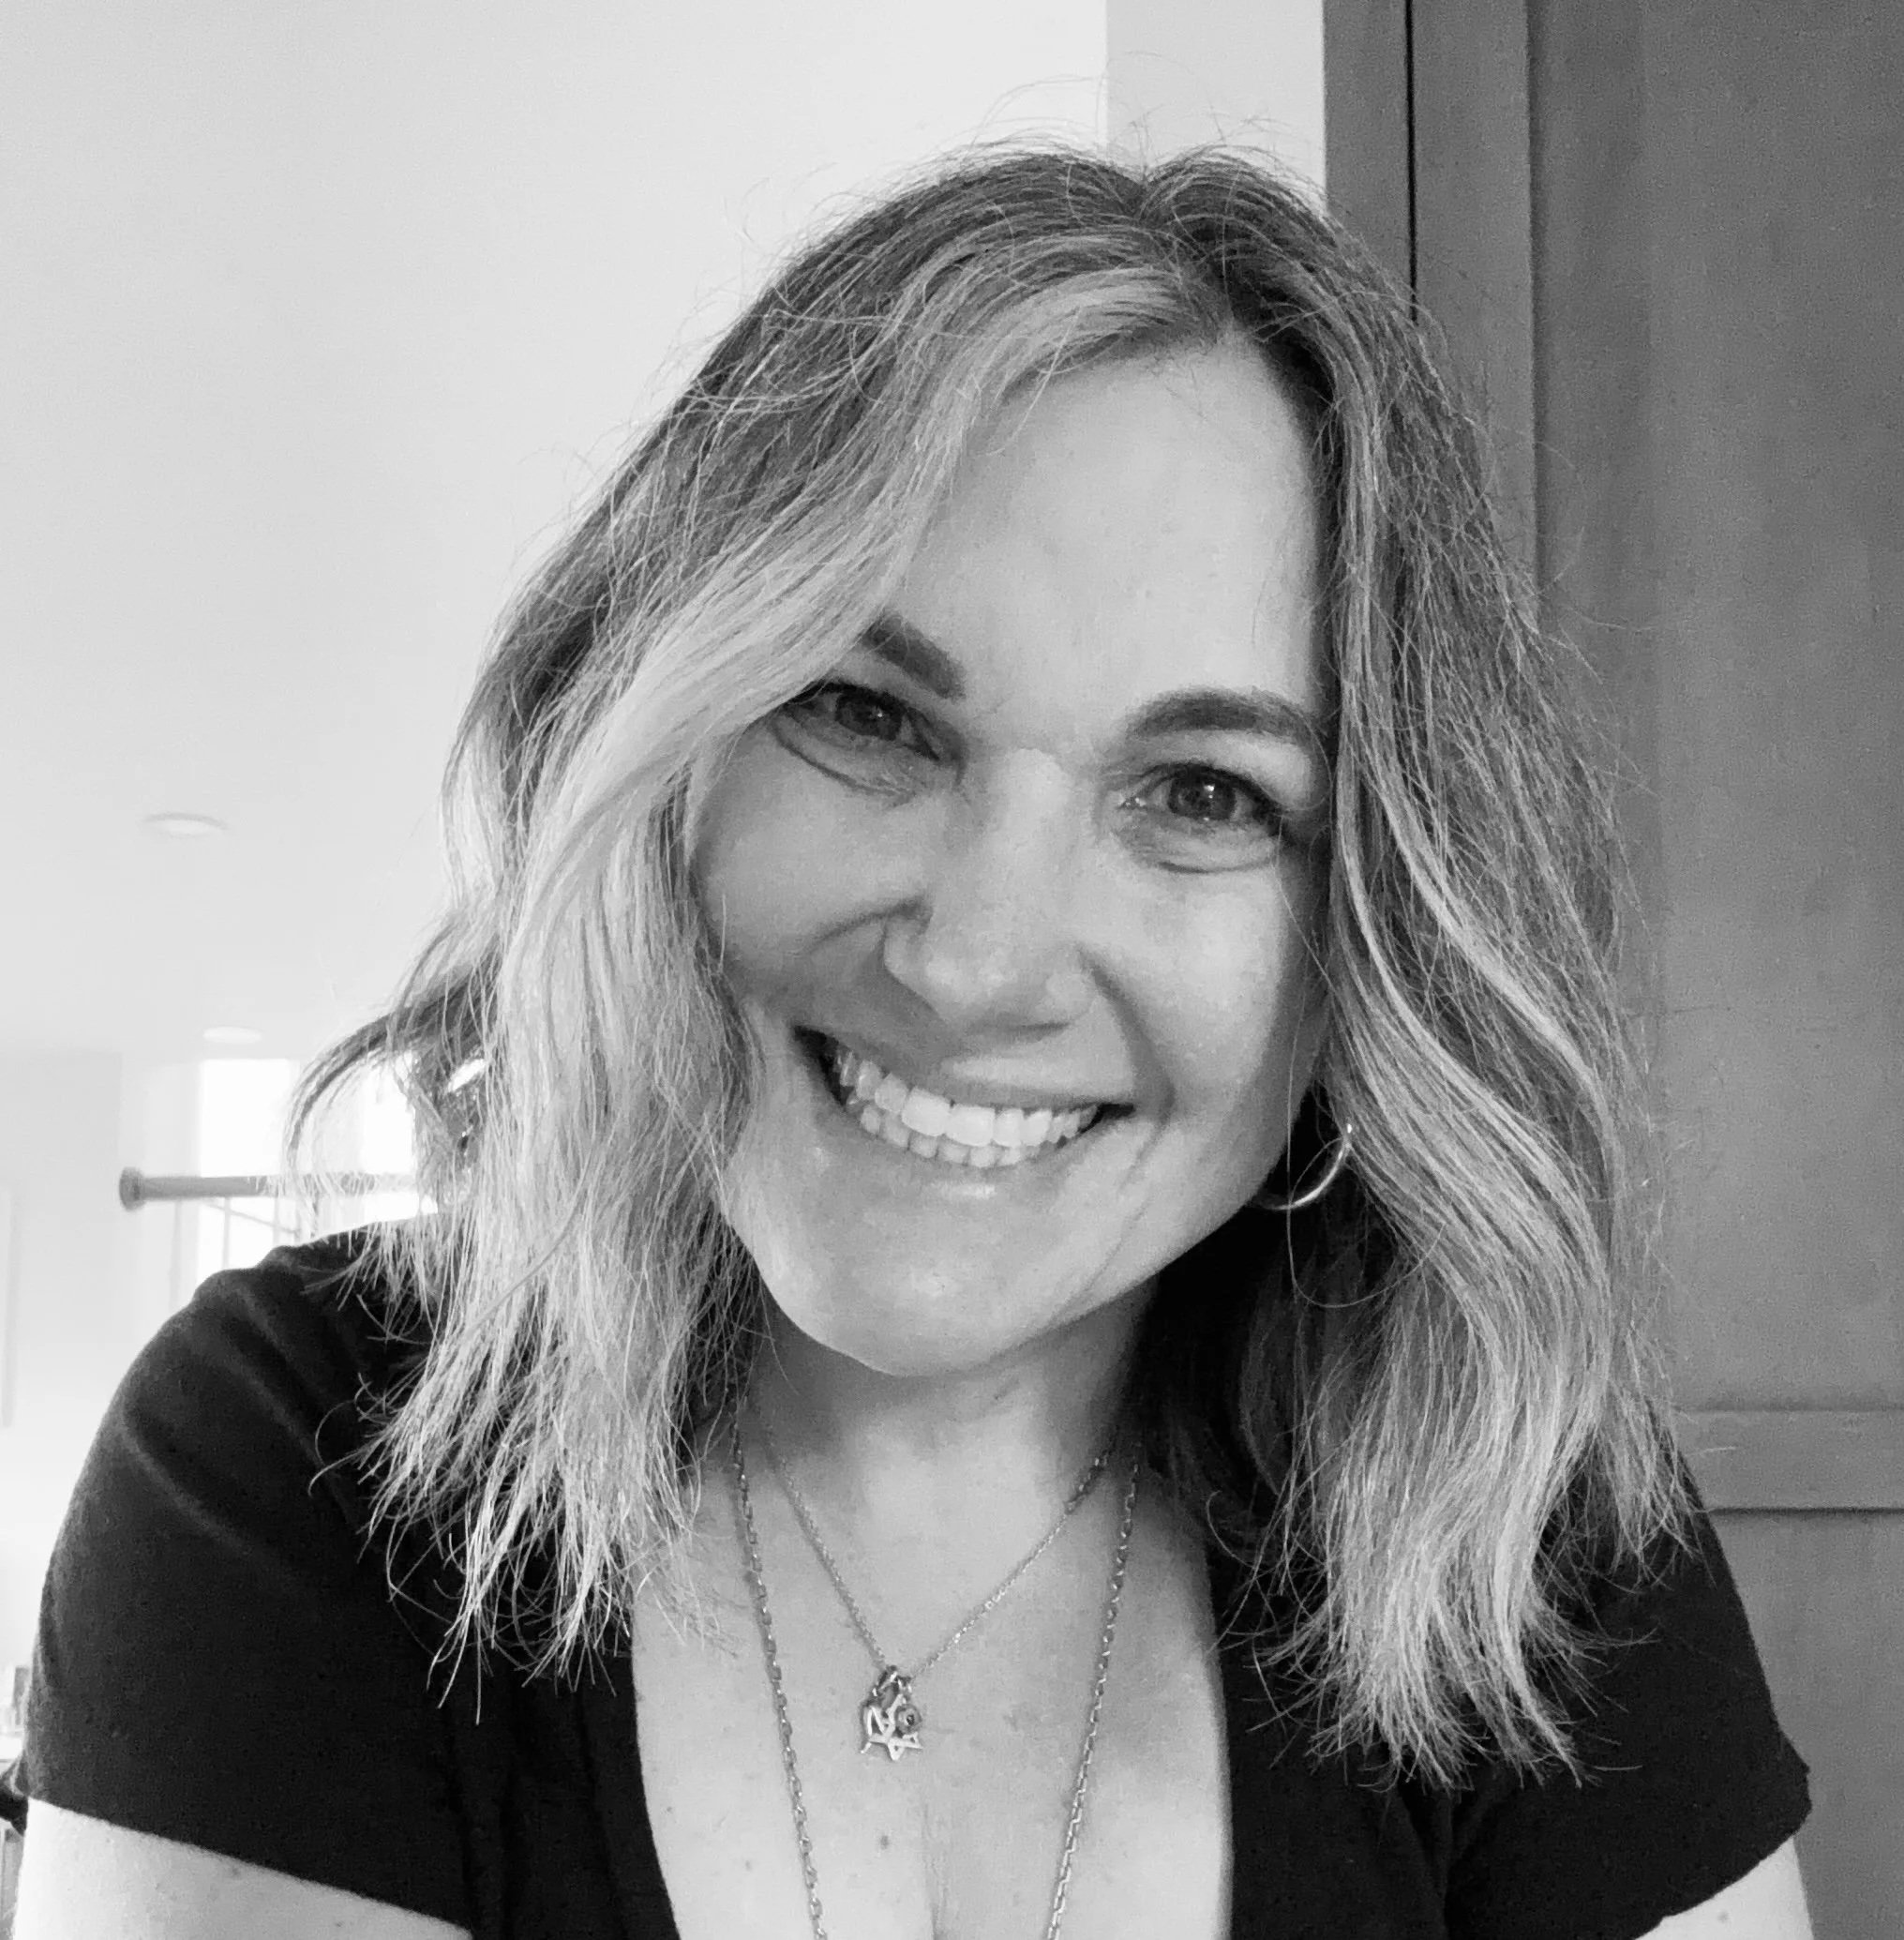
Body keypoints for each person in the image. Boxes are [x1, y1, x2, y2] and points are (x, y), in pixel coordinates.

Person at [9, 145, 1813, 1939]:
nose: (977, 961)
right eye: (865, 712)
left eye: (1203, 792)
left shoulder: (1533, 1544)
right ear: (662, 753)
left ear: (1378, 932)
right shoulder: (297, 1466)